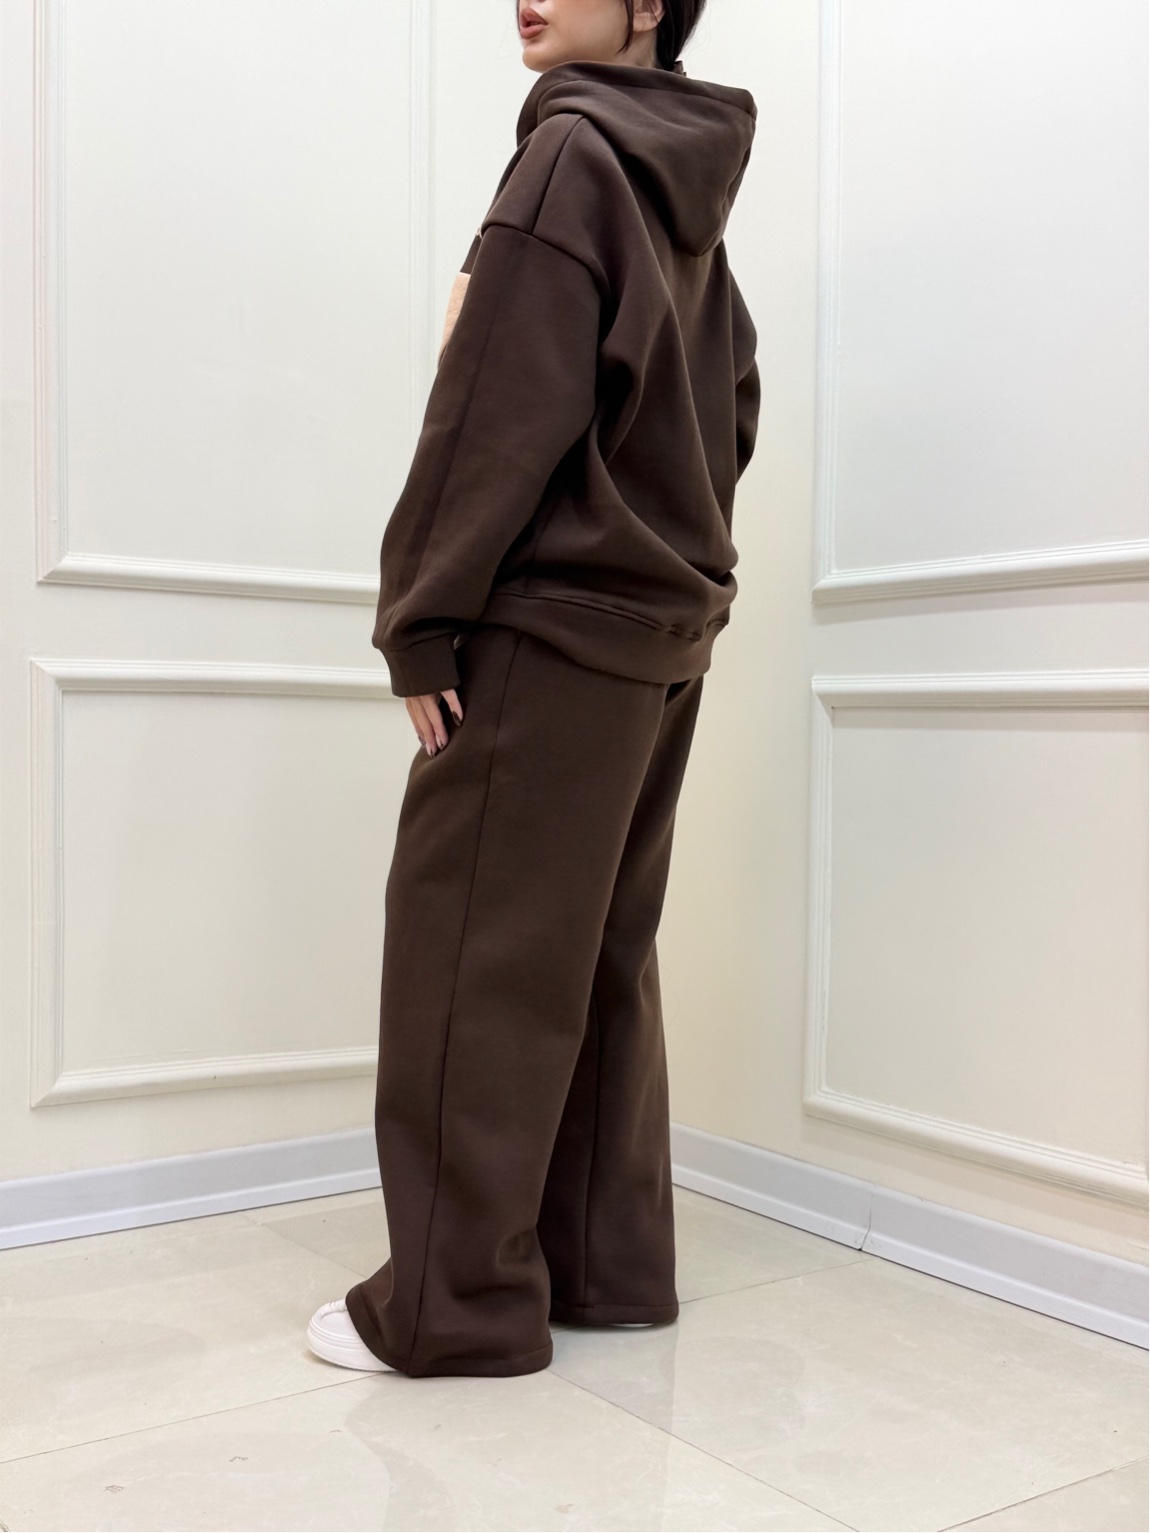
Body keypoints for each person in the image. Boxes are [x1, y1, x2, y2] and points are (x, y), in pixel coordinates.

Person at [306, 0, 760, 1379]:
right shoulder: (684, 183)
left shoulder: (569, 153)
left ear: (650, 3)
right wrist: (668, 560)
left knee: (472, 962)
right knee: (598, 956)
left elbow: (496, 399)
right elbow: (731, 401)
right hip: (660, 628)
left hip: (547, 627)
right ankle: (607, 1271)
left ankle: (451, 1308)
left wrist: (421, 613)